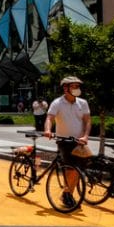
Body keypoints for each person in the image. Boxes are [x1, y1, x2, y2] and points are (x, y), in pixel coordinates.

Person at [43, 76, 91, 209]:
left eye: (78, 86)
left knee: (78, 170)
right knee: (71, 170)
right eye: (74, 86)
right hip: (64, 140)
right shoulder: (57, 103)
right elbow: (49, 118)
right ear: (65, 88)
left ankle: (68, 193)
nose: (77, 89)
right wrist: (48, 130)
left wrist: (86, 136)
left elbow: (87, 121)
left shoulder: (83, 103)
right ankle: (67, 193)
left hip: (79, 141)